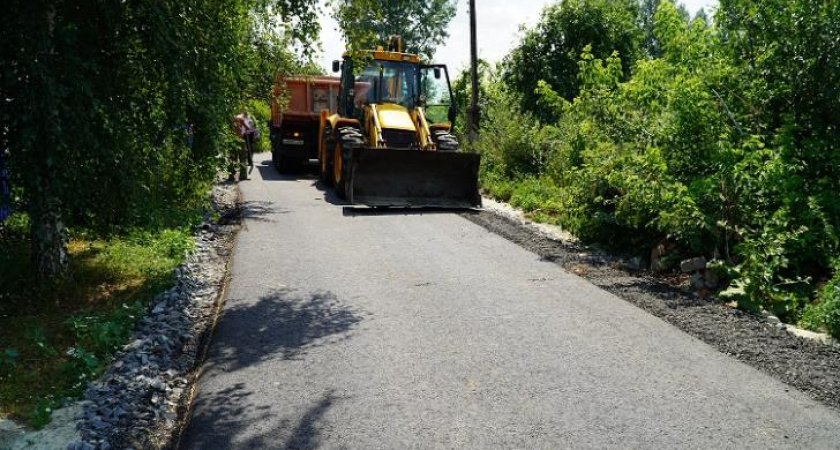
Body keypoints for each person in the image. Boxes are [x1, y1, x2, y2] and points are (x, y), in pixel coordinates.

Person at [231, 111, 258, 181]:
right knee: (242, 158)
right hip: (239, 140)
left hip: (233, 140)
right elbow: (248, 128)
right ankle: (242, 176)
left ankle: (231, 175)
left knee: (233, 158)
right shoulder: (242, 119)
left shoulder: (235, 118)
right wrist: (244, 124)